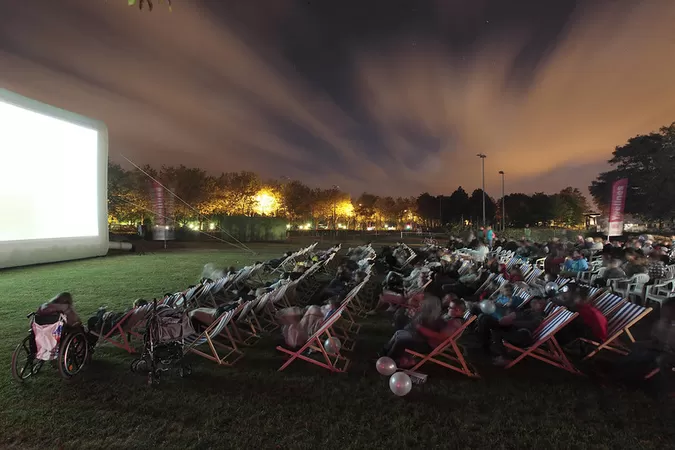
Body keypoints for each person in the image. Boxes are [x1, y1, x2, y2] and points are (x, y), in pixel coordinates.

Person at [490, 296, 548, 366]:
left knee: (498, 332)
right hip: (518, 332)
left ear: (543, 305)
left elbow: (532, 324)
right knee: (497, 328)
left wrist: (513, 322)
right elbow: (518, 315)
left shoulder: (540, 315)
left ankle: (505, 358)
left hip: (524, 337)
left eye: (537, 302)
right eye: (533, 302)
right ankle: (502, 354)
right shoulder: (529, 311)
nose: (533, 303)